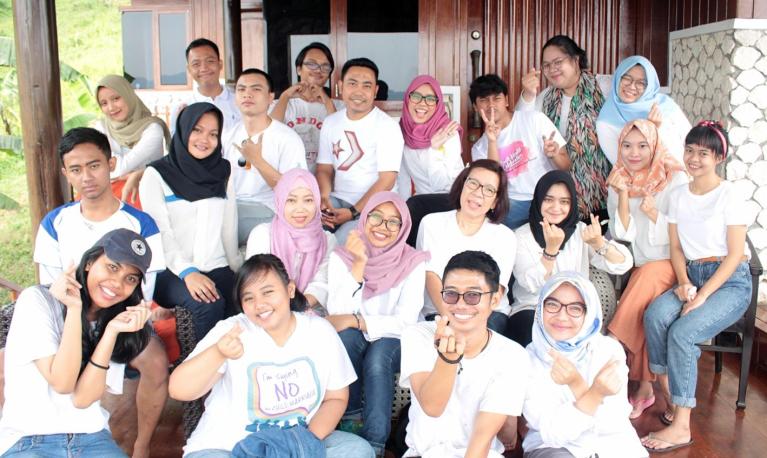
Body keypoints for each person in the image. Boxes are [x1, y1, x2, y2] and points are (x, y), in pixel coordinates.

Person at [25, 129, 169, 458]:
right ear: (65, 173)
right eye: (75, 169)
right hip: (68, 319)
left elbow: (143, 290)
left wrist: (115, 320)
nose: (86, 177)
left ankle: (142, 444)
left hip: (120, 317)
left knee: (157, 362)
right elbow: (51, 289)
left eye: (94, 166)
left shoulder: (140, 224)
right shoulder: (55, 223)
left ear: (111, 164)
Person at [169, 254, 374, 458]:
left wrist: (302, 444)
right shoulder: (232, 331)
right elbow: (179, 390)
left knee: (358, 450)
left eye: (268, 292)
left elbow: (336, 398)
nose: (259, 304)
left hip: (297, 441)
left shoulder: (320, 331)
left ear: (290, 290)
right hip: (228, 448)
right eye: (249, 298)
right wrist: (218, 353)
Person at [642, 121, 752, 453]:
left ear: (718, 157)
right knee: (655, 315)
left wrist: (702, 296)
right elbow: (676, 248)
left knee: (684, 332)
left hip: (729, 283)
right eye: (690, 150)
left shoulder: (729, 195)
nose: (693, 158)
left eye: (703, 153)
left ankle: (680, 427)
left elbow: (735, 255)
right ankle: (669, 392)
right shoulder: (677, 195)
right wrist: (685, 283)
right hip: (692, 276)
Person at [0, 229, 157, 458]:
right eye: (113, 267)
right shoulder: (37, 300)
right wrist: (75, 309)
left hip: (91, 437)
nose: (117, 283)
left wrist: (111, 333)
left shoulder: (116, 322)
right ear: (89, 262)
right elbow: (62, 382)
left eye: (130, 278)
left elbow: (83, 399)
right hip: (29, 440)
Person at [326, 191, 429, 457]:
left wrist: (358, 321)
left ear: (403, 226)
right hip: (362, 331)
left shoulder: (412, 261)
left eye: (393, 222)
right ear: (365, 217)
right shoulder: (342, 256)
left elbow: (405, 321)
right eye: (376, 217)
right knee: (346, 339)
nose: (383, 227)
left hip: (396, 338)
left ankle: (375, 444)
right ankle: (351, 420)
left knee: (378, 356)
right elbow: (338, 313)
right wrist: (359, 264)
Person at [400, 250, 529, 457]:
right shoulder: (417, 335)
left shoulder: (513, 355)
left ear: (495, 299)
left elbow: (482, 440)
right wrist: (448, 358)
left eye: (472, 295)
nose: (460, 304)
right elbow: (432, 407)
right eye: (451, 294)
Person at [605, 119, 688, 419]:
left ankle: (612, 344)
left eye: (642, 145)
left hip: (673, 264)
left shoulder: (675, 179)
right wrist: (624, 195)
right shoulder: (617, 180)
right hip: (640, 267)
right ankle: (644, 389)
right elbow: (622, 234)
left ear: (654, 146)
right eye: (627, 145)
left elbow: (688, 235)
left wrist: (657, 217)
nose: (634, 153)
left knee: (647, 276)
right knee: (645, 308)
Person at [140, 103, 242, 341]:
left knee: (244, 297)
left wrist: (239, 270)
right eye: (197, 130)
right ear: (184, 130)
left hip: (216, 265)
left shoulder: (223, 171)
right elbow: (160, 233)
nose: (204, 139)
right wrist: (188, 272)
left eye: (213, 134)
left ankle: (234, 369)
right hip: (171, 271)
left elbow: (229, 227)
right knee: (209, 304)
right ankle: (199, 371)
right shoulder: (156, 175)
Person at [522, 271, 647, 458]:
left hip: (614, 445)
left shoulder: (608, 350)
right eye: (552, 305)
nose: (562, 316)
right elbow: (554, 434)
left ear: (590, 313)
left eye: (575, 308)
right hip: (555, 449)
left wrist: (576, 384)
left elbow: (611, 423)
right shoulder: (527, 359)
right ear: (540, 308)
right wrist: (595, 393)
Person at [509, 170, 632, 347]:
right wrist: (550, 251)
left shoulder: (579, 231)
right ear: (538, 200)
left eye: (564, 202)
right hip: (533, 309)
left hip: (574, 309)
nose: (556, 207)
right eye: (548, 199)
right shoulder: (521, 236)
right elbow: (531, 285)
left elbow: (622, 264)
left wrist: (599, 244)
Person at [517, 35, 612, 222]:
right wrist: (528, 94)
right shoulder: (546, 97)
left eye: (558, 62)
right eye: (546, 65)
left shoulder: (604, 86)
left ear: (576, 60)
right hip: (560, 199)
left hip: (602, 194)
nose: (552, 69)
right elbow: (522, 125)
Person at [417, 160, 515, 333]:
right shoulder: (432, 223)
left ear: (495, 202)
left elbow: (496, 289)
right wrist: (453, 320)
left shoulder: (505, 236)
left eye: (489, 190)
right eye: (473, 183)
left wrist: (467, 325)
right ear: (462, 185)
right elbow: (430, 276)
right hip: (440, 312)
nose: (478, 193)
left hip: (488, 315)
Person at [316, 57, 404, 245]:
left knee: (340, 246)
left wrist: (353, 212)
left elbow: (387, 180)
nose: (359, 91)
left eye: (366, 85)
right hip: (337, 200)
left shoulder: (387, 126)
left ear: (375, 91)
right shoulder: (331, 122)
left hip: (375, 207)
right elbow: (324, 168)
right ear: (340, 86)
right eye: (352, 83)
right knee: (308, 232)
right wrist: (323, 198)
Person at [470, 74, 569, 230]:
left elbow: (566, 165)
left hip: (547, 198)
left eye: (496, 98)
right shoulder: (479, 148)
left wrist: (555, 154)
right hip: (512, 206)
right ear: (475, 107)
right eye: (483, 100)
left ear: (507, 100)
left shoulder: (535, 120)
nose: (491, 105)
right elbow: (493, 182)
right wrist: (492, 142)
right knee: (491, 228)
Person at [224, 68, 307, 244]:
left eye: (256, 89)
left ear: (270, 97)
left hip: (268, 210)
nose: (247, 94)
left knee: (220, 225)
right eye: (241, 89)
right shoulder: (228, 135)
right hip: (231, 205)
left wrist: (257, 160)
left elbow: (294, 192)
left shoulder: (287, 138)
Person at [245, 168, 336, 311]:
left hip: (309, 310)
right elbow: (256, 283)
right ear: (280, 201)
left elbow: (321, 284)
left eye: (308, 200)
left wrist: (298, 310)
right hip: (267, 311)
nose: (300, 209)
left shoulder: (327, 240)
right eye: (291, 200)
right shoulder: (262, 234)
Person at [398, 74, 465, 246]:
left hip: (453, 197)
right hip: (422, 200)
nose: (422, 103)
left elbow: (440, 185)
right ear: (407, 99)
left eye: (430, 98)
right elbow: (403, 179)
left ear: (438, 103)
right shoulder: (402, 132)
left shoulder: (447, 133)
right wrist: (399, 212)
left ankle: (408, 257)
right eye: (416, 96)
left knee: (415, 205)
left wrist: (434, 150)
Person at [597, 56, 691, 164]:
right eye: (627, 78)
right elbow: (624, 166)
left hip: (687, 175)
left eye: (641, 83)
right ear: (618, 78)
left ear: (649, 86)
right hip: (649, 180)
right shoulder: (606, 121)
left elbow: (691, 141)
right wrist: (650, 130)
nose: (632, 86)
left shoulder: (665, 105)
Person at [94, 75, 170, 206]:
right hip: (110, 196)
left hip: (149, 196)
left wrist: (116, 171)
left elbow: (119, 168)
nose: (111, 107)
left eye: (116, 98)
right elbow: (101, 168)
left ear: (128, 95)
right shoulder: (102, 127)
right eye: (104, 103)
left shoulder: (153, 128)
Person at [270, 42, 344, 173]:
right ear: (298, 69)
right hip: (288, 181)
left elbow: (341, 138)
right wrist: (285, 96)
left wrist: (327, 101)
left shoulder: (338, 106)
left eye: (325, 67)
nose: (318, 70)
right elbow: (270, 132)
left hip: (325, 182)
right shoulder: (280, 104)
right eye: (311, 64)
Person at [169, 38, 241, 139]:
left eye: (210, 61)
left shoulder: (240, 102)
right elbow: (176, 147)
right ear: (189, 69)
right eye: (196, 64)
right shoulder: (182, 108)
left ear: (220, 64)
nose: (204, 68)